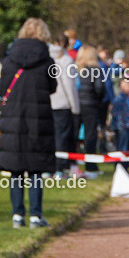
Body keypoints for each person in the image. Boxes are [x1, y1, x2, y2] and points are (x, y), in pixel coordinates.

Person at [0, 18, 56, 229]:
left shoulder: (9, 59)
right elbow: (52, 87)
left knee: (15, 168)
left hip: (13, 116)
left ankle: (17, 214)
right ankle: (36, 215)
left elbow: (1, 88)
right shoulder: (47, 61)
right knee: (36, 169)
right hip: (38, 117)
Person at [48, 35, 80, 177]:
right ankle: (60, 168)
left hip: (48, 102)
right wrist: (75, 107)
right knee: (62, 138)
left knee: (50, 136)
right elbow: (69, 85)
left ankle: (50, 168)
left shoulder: (46, 57)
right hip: (62, 103)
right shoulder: (66, 60)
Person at [75, 45, 106, 178]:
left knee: (74, 135)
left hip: (76, 104)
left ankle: (71, 165)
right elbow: (100, 88)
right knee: (90, 136)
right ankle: (90, 167)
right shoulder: (95, 70)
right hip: (91, 105)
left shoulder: (75, 69)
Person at [111, 78, 129, 168]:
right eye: (125, 86)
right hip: (122, 129)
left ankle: (126, 169)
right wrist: (120, 128)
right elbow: (116, 115)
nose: (128, 88)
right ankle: (120, 168)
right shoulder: (118, 100)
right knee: (122, 150)